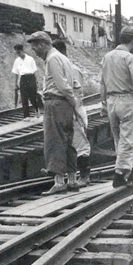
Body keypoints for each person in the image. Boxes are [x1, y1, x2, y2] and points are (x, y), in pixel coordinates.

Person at [26, 31, 79, 195]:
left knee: (55, 140)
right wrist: (73, 104)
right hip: (64, 105)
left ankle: (59, 182)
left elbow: (63, 85)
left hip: (56, 103)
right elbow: (71, 83)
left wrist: (74, 103)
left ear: (42, 44)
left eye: (35, 48)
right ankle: (72, 180)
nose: (36, 52)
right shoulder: (63, 58)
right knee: (68, 140)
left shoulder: (52, 59)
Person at [100, 25, 133, 188]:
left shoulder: (107, 57)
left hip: (111, 100)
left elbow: (102, 83)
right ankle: (119, 175)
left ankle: (130, 173)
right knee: (130, 139)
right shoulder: (129, 58)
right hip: (127, 100)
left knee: (119, 139)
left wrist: (103, 103)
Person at [52, 39, 91, 186]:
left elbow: (77, 94)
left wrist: (76, 113)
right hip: (63, 111)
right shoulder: (58, 68)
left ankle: (84, 176)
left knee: (80, 144)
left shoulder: (72, 69)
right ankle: (70, 177)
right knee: (67, 145)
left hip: (74, 111)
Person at [12, 43, 42, 120]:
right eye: (16, 53)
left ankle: (37, 108)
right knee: (24, 98)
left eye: (19, 52)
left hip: (31, 77)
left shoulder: (30, 59)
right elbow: (16, 73)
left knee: (32, 96)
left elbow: (35, 71)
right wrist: (15, 84)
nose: (18, 54)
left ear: (22, 50)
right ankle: (26, 116)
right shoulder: (17, 61)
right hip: (23, 79)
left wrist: (36, 81)